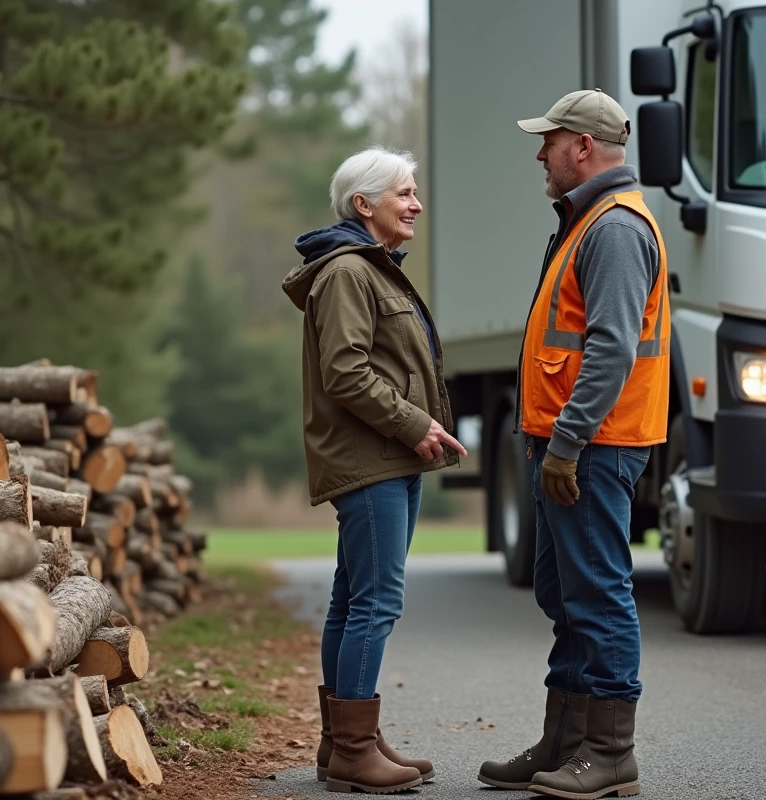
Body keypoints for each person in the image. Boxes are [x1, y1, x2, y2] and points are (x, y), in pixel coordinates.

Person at [476, 89, 669, 800]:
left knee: (599, 596)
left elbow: (611, 348)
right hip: (569, 442)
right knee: (565, 593)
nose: (540, 153)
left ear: (582, 147)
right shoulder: (585, 221)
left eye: (549, 140)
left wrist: (567, 443)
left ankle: (611, 754)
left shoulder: (614, 229)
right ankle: (564, 741)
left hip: (593, 445)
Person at [281, 145, 467, 794]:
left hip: (387, 455)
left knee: (351, 597)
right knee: (376, 600)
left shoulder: (373, 269)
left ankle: (346, 744)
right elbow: (346, 372)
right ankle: (356, 751)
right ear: (364, 205)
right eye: (403, 194)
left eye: (415, 192)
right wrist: (416, 425)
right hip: (372, 459)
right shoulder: (347, 275)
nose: (416, 204)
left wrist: (425, 429)